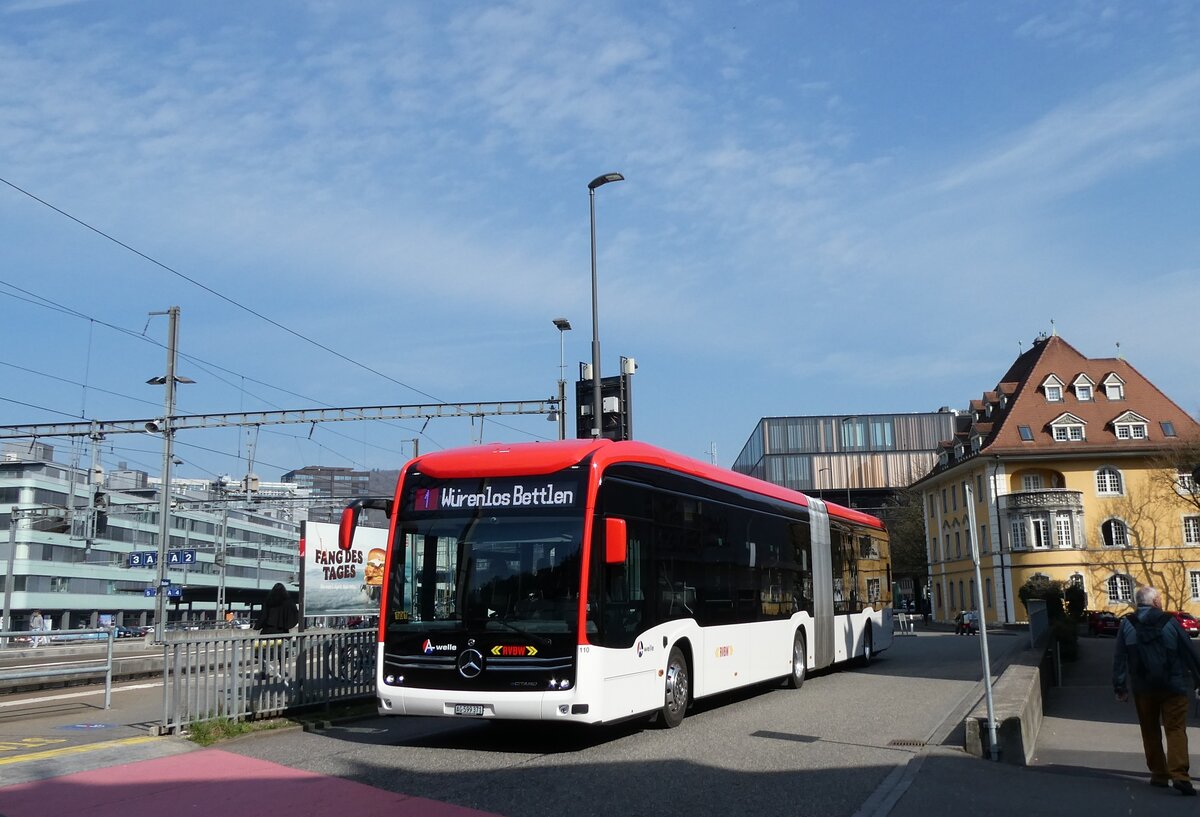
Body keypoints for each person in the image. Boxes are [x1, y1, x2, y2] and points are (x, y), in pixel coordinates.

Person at [1113, 585, 1200, 796]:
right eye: (1159, 598)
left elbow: (1120, 657)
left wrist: (1120, 686)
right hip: (1173, 686)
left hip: (1143, 688)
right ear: (1154, 602)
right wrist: (1198, 680)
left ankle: (1159, 774)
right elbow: (1188, 651)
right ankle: (1180, 775)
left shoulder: (1127, 624)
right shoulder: (1170, 622)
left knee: (1150, 729)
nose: (1161, 601)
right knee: (1175, 729)